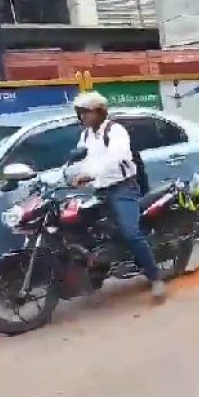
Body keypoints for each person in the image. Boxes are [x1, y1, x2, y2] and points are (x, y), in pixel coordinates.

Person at [71, 91, 164, 299]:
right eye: (80, 113)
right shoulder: (85, 135)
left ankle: (155, 277)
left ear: (99, 111)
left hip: (123, 188)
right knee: (82, 226)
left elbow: (114, 158)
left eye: (85, 112)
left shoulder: (115, 131)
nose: (82, 117)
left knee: (131, 233)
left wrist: (89, 175)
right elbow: (79, 159)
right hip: (99, 190)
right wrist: (71, 174)